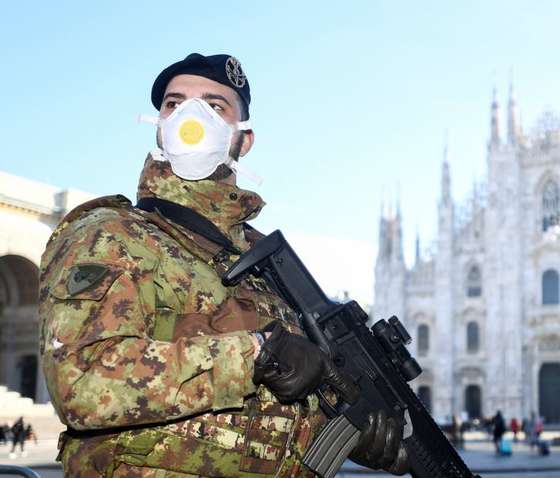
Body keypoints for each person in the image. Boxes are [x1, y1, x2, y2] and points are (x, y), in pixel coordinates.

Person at [39, 53, 409, 477]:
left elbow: (277, 400)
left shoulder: (267, 262)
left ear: (243, 139)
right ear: (159, 127)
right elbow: (82, 383)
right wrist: (255, 354)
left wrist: (353, 430)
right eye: (174, 104)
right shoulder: (110, 234)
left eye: (214, 106)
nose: (190, 119)